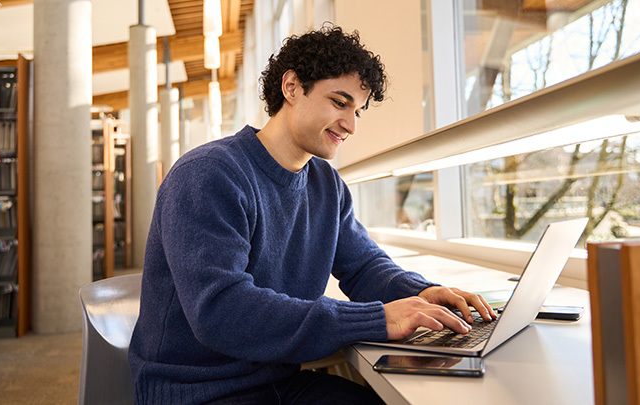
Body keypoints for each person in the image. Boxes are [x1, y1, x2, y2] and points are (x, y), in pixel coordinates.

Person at [128, 24, 497, 404]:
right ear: (292, 87)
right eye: (339, 102)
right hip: (197, 392)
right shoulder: (208, 174)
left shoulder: (325, 184)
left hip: (277, 382)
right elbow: (221, 311)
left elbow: (363, 266)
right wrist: (377, 319)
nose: (351, 125)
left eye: (357, 110)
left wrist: (423, 295)